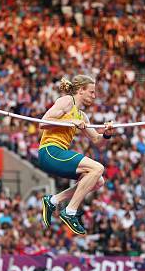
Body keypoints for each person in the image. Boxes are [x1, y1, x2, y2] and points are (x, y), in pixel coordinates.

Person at [39, 75, 114, 235]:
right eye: (91, 92)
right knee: (97, 168)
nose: (94, 96)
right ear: (80, 90)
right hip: (49, 151)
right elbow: (43, 122)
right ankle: (70, 211)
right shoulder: (66, 101)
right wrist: (70, 122)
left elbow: (97, 141)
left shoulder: (82, 116)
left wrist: (107, 134)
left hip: (59, 153)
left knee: (98, 181)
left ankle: (53, 200)